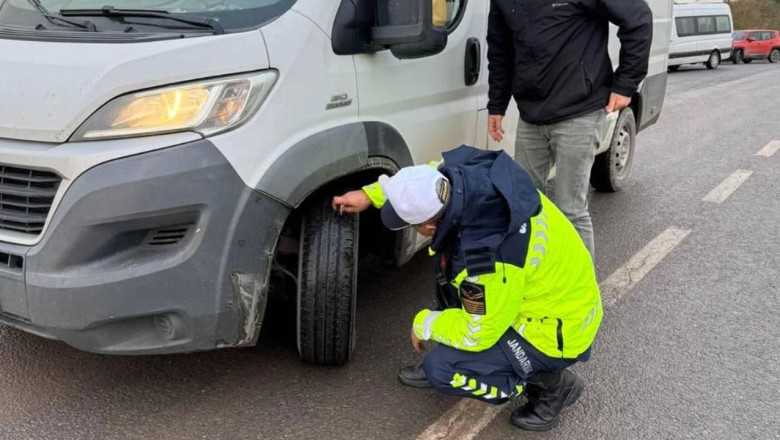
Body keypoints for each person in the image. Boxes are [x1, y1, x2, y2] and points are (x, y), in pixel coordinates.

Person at [332, 145, 602, 431]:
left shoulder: (485, 258)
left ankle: (552, 386)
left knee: (441, 368)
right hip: (544, 292)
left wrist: (425, 324)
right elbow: (423, 176)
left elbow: (479, 332)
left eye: (410, 223)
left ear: (428, 225)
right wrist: (370, 195)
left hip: (557, 330)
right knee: (449, 270)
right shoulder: (460, 176)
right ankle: (465, 350)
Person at [486, 0, 653, 256]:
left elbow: (638, 18)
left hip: (579, 110)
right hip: (531, 114)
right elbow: (500, 49)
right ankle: (541, 273)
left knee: (570, 209)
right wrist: (497, 104)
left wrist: (625, 84)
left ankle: (582, 281)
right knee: (524, 204)